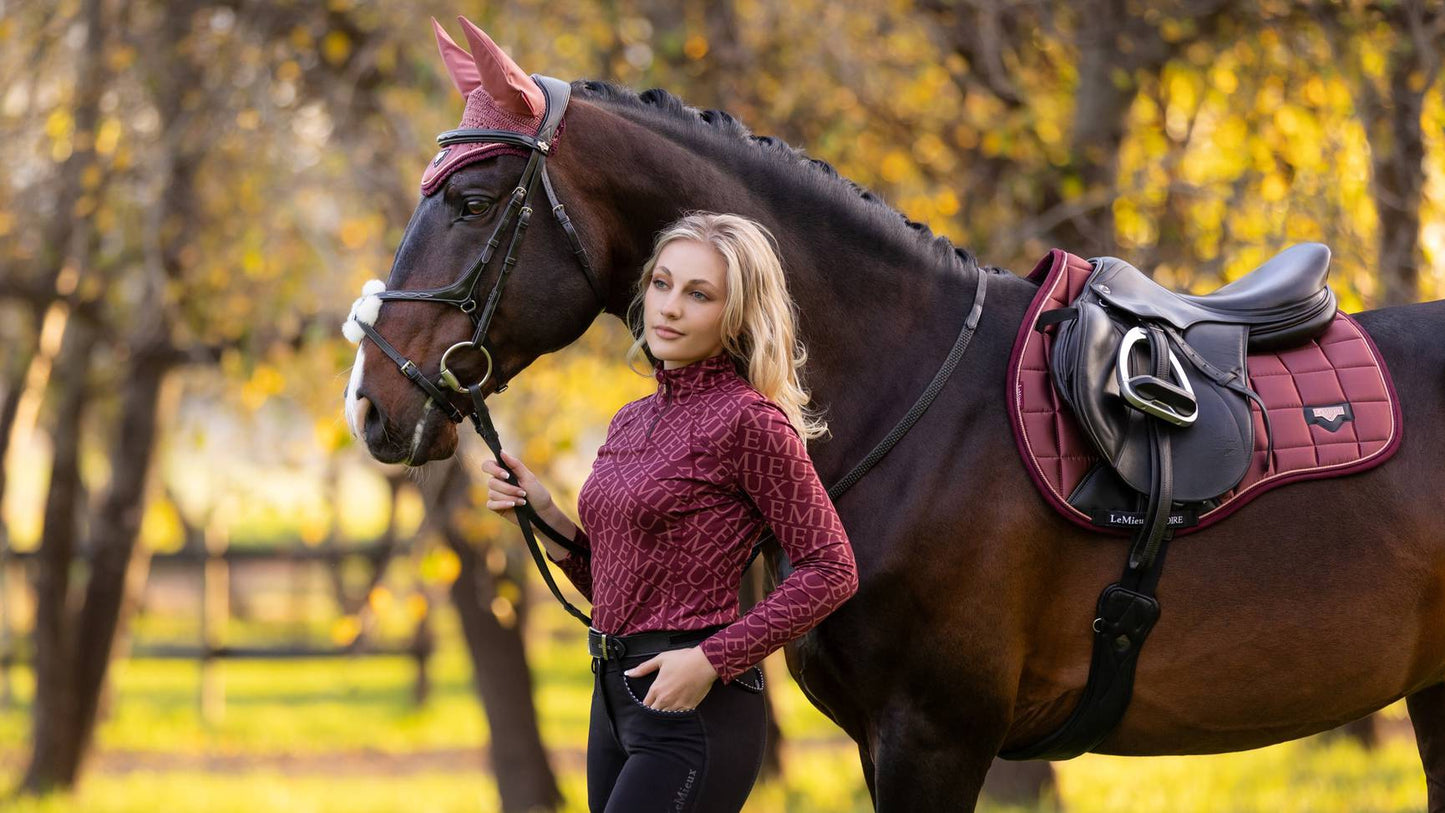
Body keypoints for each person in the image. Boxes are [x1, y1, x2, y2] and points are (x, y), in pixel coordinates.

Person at [482, 211, 859, 812]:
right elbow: (619, 586)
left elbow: (831, 567)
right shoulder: (630, 419)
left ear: (736, 314)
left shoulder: (750, 422)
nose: (670, 307)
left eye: (698, 294)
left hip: (694, 710)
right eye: (662, 284)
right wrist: (545, 515)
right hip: (612, 699)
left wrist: (712, 660)